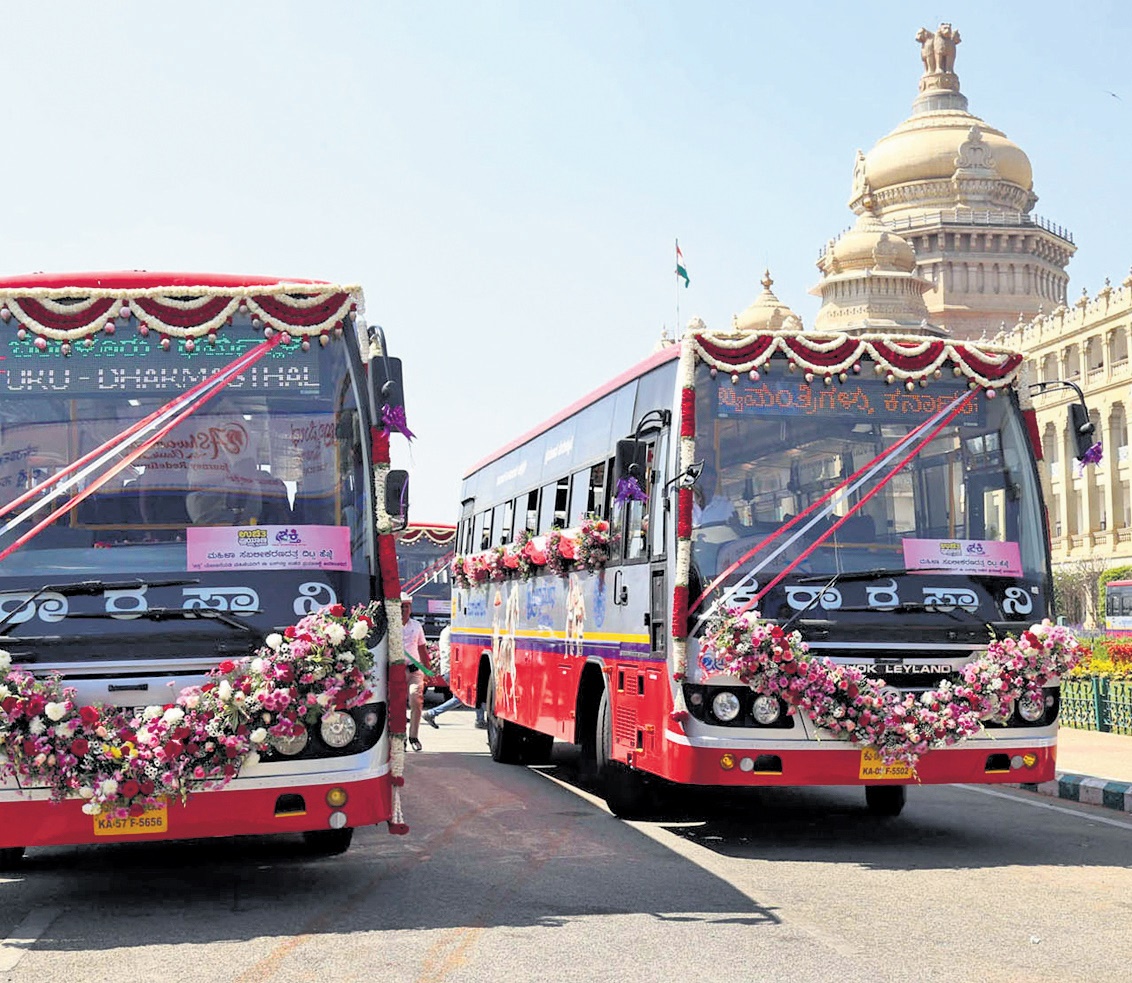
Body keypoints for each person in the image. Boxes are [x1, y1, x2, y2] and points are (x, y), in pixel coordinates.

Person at [423, 625, 488, 729]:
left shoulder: (446, 630)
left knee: (474, 693)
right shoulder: (453, 631)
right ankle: (431, 713)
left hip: (449, 669)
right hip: (453, 670)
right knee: (461, 697)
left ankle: (480, 720)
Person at [400, 593, 429, 751]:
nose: (404, 609)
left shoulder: (416, 626)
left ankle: (414, 736)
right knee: (398, 705)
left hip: (414, 670)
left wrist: (428, 671)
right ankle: (401, 738)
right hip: (396, 671)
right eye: (401, 606)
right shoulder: (391, 626)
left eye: (406, 606)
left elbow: (422, 649)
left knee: (415, 699)